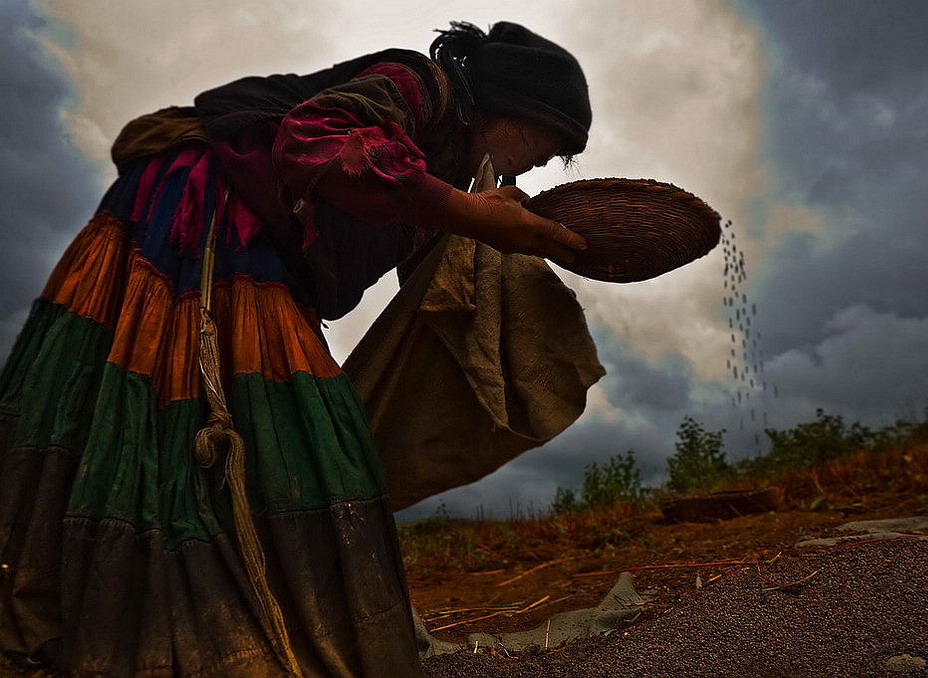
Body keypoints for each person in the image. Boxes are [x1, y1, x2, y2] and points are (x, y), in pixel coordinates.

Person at [0, 20, 591, 678]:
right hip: (201, 212)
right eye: (545, 138)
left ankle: (205, 615)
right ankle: (113, 616)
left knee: (266, 436)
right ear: (508, 106)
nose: (543, 158)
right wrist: (469, 213)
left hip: (266, 256)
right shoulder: (420, 86)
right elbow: (314, 141)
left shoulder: (454, 169)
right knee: (174, 422)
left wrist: (489, 238)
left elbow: (422, 270)